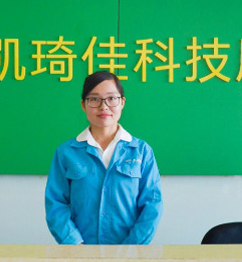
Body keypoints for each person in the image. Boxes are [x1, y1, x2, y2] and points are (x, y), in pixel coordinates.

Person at [45, 71, 162, 245]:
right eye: (94, 99)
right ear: (83, 105)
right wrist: (75, 244)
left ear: (122, 102)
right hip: (80, 252)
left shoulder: (141, 151)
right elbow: (56, 203)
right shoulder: (67, 152)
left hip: (130, 252)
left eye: (111, 98)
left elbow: (152, 204)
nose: (104, 106)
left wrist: (131, 248)